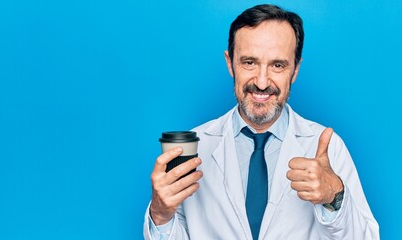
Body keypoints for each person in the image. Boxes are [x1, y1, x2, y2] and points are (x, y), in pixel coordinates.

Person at [143, 4, 379, 240]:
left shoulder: (326, 147)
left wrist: (335, 196)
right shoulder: (194, 147)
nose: (263, 82)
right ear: (230, 63)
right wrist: (160, 215)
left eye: (278, 65)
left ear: (295, 70)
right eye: (249, 62)